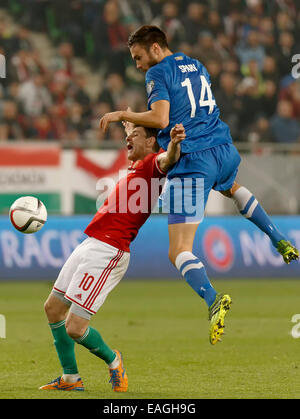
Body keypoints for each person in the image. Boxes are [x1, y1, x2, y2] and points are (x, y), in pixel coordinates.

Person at [99, 25, 299, 346]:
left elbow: (162, 119)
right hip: (224, 147)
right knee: (231, 186)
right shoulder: (196, 64)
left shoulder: (157, 74)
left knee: (178, 250)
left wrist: (123, 113)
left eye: (138, 57)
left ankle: (212, 299)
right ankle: (278, 238)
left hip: (194, 159)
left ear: (154, 48)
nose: (137, 65)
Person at [39, 122, 186, 392]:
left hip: (110, 250)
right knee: (52, 308)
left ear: (152, 142)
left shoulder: (153, 164)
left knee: (74, 326)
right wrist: (131, 123)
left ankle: (113, 359)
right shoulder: (138, 166)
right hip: (91, 242)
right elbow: (145, 140)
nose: (127, 139)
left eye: (135, 136)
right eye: (127, 136)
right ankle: (71, 379)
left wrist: (174, 143)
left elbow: (168, 159)